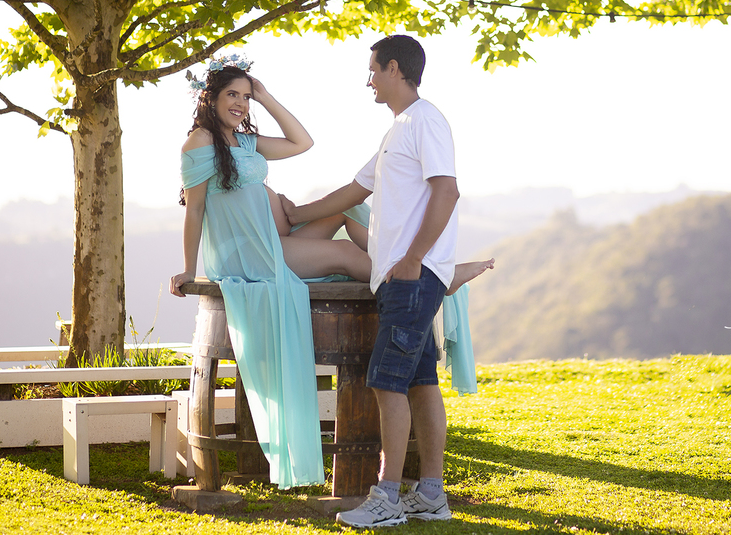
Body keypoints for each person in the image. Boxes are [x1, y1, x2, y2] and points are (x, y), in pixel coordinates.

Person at [167, 53, 490, 490]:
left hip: (275, 235)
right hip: (253, 251)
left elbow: (302, 142)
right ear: (209, 97)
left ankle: (427, 268)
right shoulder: (199, 144)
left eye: (246, 96)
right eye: (233, 95)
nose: (241, 103)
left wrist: (266, 95)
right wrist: (189, 268)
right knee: (341, 256)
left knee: (350, 208)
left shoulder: (244, 142)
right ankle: (431, 273)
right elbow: (197, 209)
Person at [281, 34, 466, 527]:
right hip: (401, 280)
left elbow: (447, 192)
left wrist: (412, 259)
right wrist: (297, 212)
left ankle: (386, 498)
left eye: (373, 71)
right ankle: (430, 495)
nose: (369, 81)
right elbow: (353, 190)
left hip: (412, 277)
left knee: (387, 385)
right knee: (421, 383)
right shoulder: (397, 130)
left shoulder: (426, 120)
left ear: (394, 68)